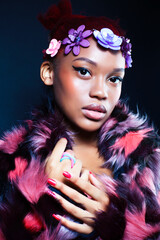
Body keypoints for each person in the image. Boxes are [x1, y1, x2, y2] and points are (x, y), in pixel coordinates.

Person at [0, 0, 160, 239]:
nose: (101, 92)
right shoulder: (11, 158)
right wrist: (38, 190)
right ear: (49, 73)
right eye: (84, 71)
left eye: (114, 79)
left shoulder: (148, 158)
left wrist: (116, 222)